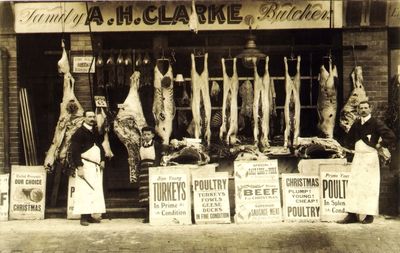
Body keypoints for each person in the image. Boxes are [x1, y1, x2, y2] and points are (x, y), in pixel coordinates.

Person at [338, 101, 396, 224]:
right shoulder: (357, 123)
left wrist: (380, 144)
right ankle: (352, 215)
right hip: (358, 158)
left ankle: (369, 215)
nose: (363, 110)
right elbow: (348, 139)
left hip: (370, 158)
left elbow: (391, 136)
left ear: (370, 109)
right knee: (354, 185)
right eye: (361, 108)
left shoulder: (376, 123)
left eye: (365, 108)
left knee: (370, 186)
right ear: (358, 110)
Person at [69, 110, 106, 226]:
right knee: (84, 191)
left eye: (93, 117)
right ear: (84, 118)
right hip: (84, 166)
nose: (92, 119)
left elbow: (100, 146)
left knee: (94, 191)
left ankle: (90, 216)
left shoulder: (94, 132)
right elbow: (74, 151)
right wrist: (79, 167)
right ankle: (83, 217)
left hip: (95, 166)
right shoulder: (79, 133)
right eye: (89, 117)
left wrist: (102, 159)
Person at [139, 126, 163, 223]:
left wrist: (155, 169)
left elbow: (158, 158)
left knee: (153, 192)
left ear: (152, 135)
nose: (146, 136)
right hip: (143, 171)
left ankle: (155, 214)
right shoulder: (141, 146)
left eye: (148, 134)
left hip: (153, 169)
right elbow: (140, 159)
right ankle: (147, 215)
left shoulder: (156, 145)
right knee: (145, 193)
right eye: (144, 134)